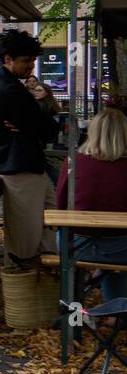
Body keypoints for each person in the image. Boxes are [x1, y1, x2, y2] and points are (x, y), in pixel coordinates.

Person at [0, 28, 59, 267]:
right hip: (19, 167)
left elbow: (40, 126)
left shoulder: (2, 84)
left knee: (46, 222)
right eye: (26, 61)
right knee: (24, 241)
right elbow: (49, 129)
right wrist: (35, 124)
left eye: (33, 60)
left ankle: (43, 281)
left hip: (20, 164)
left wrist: (31, 125)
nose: (31, 66)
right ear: (7, 59)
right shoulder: (10, 90)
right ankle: (23, 294)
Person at [55, 107, 127, 298]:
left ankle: (75, 309)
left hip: (75, 245)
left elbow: (60, 204)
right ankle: (115, 308)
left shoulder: (73, 162)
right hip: (120, 248)